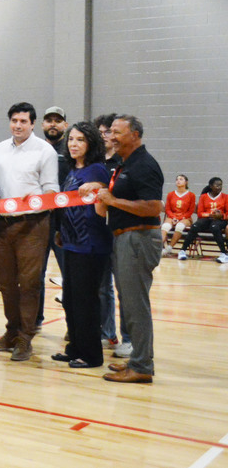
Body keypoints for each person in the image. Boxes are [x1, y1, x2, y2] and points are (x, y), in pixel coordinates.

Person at [85, 115, 163, 384]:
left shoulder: (145, 165)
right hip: (125, 239)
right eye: (110, 133)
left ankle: (142, 366)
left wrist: (113, 201)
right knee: (129, 304)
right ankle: (137, 360)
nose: (112, 137)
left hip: (139, 239)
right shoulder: (125, 164)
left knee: (136, 305)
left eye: (118, 133)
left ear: (136, 135)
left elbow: (154, 207)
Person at [0, 102, 59, 361]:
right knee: (5, 282)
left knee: (28, 283)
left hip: (33, 224)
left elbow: (52, 191)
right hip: (3, 223)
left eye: (23, 121)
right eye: (14, 120)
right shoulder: (1, 148)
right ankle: (10, 333)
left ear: (32, 124)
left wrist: (37, 197)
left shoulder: (45, 151)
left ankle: (25, 338)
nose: (17, 125)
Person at [51, 122, 111, 369]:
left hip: (91, 244)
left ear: (91, 144)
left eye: (80, 140)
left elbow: (108, 195)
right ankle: (74, 347)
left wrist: (100, 187)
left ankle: (91, 355)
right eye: (71, 139)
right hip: (71, 243)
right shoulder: (72, 170)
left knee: (86, 301)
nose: (74, 144)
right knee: (71, 300)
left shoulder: (97, 170)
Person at [93, 113, 131, 357]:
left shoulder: (123, 162)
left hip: (121, 231)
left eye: (108, 132)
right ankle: (107, 332)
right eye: (100, 132)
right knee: (101, 287)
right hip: (97, 233)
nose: (104, 136)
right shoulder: (93, 163)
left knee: (123, 288)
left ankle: (128, 338)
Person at [39, 106, 69, 323]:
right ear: (42, 125)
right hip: (38, 221)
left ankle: (73, 323)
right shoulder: (35, 149)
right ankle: (35, 321)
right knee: (34, 275)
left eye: (57, 121)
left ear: (65, 126)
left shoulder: (72, 150)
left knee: (70, 275)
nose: (53, 124)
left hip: (64, 223)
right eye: (49, 120)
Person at [177, 177, 228, 263]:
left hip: (220, 220)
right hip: (207, 218)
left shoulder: (225, 197)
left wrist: (221, 215)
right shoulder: (204, 197)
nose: (219, 187)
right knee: (195, 226)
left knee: (215, 227)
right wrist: (210, 215)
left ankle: (224, 253)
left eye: (220, 185)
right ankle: (182, 251)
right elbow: (200, 213)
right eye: (217, 185)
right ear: (211, 186)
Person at [161, 175, 195, 256]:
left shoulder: (191, 195)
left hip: (185, 217)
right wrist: (173, 217)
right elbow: (168, 209)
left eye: (181, 179)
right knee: (165, 226)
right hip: (172, 216)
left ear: (186, 182)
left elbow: (190, 211)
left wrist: (180, 218)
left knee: (179, 226)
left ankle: (169, 248)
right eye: (177, 179)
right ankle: (159, 248)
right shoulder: (170, 194)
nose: (178, 181)